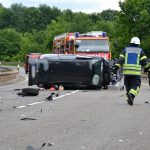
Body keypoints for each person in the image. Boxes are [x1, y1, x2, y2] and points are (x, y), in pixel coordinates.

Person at [114, 37, 149, 105]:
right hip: (135, 73)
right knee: (136, 86)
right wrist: (146, 68)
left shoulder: (125, 50)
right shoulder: (140, 51)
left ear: (131, 42)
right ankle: (131, 95)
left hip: (127, 73)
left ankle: (130, 98)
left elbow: (120, 60)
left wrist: (115, 67)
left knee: (128, 86)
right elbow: (144, 61)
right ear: (138, 44)